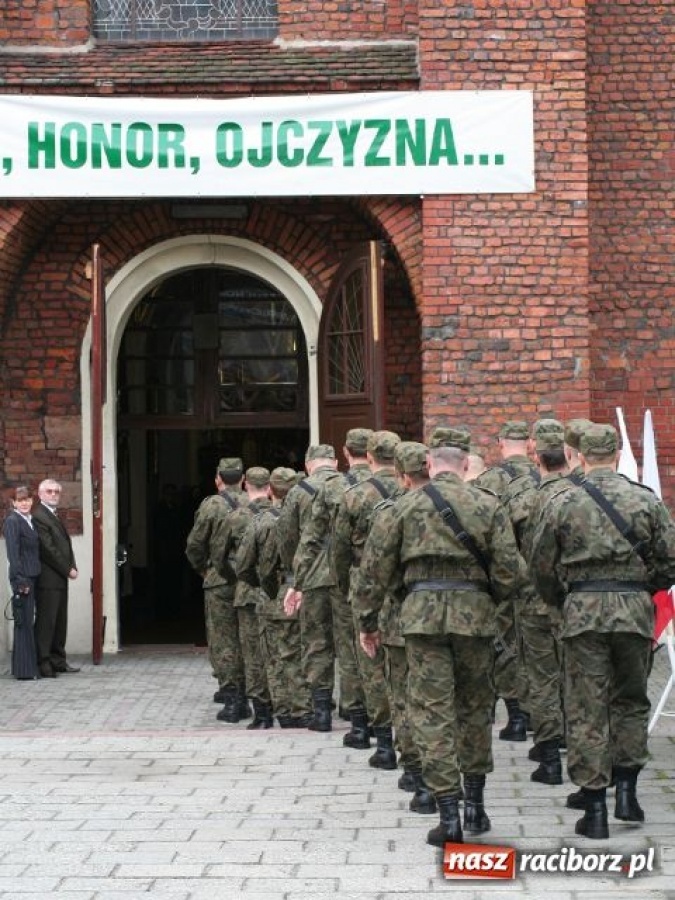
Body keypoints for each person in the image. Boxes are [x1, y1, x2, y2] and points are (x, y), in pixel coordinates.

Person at [360, 426, 528, 847]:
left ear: (430, 465)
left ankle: (447, 813)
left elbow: (374, 571)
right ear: (467, 464)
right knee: (475, 707)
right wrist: (490, 601)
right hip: (475, 617)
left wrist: (368, 622)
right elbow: (512, 571)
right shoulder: (489, 504)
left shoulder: (402, 507)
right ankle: (476, 804)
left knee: (432, 711)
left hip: (421, 619)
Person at [529, 422, 675, 840]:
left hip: (583, 612)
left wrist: (562, 599)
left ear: (578, 456)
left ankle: (594, 809)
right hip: (632, 611)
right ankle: (627, 792)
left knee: (586, 705)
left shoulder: (563, 501)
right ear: (615, 455)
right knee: (630, 699)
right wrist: (644, 590)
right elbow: (669, 560)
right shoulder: (645, 501)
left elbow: (540, 565)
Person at [332, 430, 402, 767]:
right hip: (405, 586)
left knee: (370, 662)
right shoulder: (412, 491)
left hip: (364, 581)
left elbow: (339, 550)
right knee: (406, 664)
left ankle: (383, 742)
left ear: (369, 458)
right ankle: (411, 742)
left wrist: (347, 584)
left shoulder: (354, 496)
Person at [475, 420, 538, 741]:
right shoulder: (546, 475)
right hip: (543, 577)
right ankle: (544, 717)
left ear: (500, 443)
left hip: (504, 577)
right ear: (529, 443)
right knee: (543, 647)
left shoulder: (487, 481)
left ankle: (516, 717)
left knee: (505, 645)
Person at [235, 467, 312, 728]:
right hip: (304, 591)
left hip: (272, 594)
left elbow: (243, 564)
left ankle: (283, 710)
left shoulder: (261, 521)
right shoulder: (308, 519)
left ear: (270, 490)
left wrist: (262, 585)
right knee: (303, 651)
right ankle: (304, 707)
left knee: (272, 656)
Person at [280, 444, 342, 732]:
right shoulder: (351, 486)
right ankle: (357, 711)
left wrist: (295, 577)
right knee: (353, 643)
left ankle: (321, 711)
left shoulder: (297, 492)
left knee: (316, 643)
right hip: (346, 576)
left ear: (307, 465)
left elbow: (288, 538)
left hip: (314, 577)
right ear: (335, 463)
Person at [185, 457, 248, 721]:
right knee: (250, 636)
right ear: (243, 479)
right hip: (249, 578)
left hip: (219, 578)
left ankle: (232, 697)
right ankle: (254, 691)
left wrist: (205, 570)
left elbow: (195, 545)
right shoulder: (253, 502)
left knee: (223, 639)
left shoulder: (211, 505)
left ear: (218, 479)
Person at [220, 467, 274, 729]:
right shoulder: (280, 514)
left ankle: (261, 712)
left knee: (252, 653)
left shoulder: (236, 517)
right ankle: (287, 706)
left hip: (248, 592)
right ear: (270, 487)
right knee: (279, 651)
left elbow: (219, 557)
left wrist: (237, 579)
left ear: (245, 486)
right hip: (277, 591)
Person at [32, 479, 79, 678]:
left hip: (59, 577)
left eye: (57, 492)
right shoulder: (39, 516)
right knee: (47, 621)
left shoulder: (53, 515)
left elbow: (65, 545)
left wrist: (72, 565)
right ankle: (43, 662)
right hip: (48, 578)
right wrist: (68, 569)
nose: (53, 495)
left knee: (60, 621)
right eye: (49, 491)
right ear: (40, 494)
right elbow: (48, 549)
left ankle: (58, 659)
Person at [3, 485, 40, 680]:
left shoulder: (29, 520)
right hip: (22, 578)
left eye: (27, 499)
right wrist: (20, 580)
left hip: (31, 576)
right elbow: (13, 554)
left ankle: (22, 668)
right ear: (14, 503)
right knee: (23, 622)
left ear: (32, 501)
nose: (24, 503)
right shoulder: (12, 521)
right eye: (20, 500)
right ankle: (26, 672)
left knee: (26, 621)